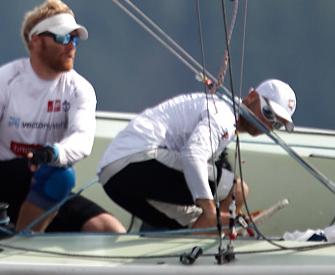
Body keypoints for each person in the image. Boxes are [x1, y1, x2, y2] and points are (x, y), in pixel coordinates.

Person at [0, 0, 126, 234]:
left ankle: (24, 235)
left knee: (111, 230)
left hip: (45, 180)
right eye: (63, 38)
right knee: (61, 176)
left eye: (75, 38)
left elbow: (82, 139)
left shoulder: (80, 89)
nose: (71, 46)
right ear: (36, 40)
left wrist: (54, 152)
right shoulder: (3, 80)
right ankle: (23, 244)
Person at [98, 81, 293, 232]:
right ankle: (209, 237)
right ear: (252, 96)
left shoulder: (221, 112)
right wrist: (211, 211)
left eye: (276, 124)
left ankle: (194, 250)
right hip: (138, 158)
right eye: (268, 113)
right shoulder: (224, 116)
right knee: (238, 190)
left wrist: (209, 215)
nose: (268, 126)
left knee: (191, 223)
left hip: (112, 176)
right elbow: (192, 155)